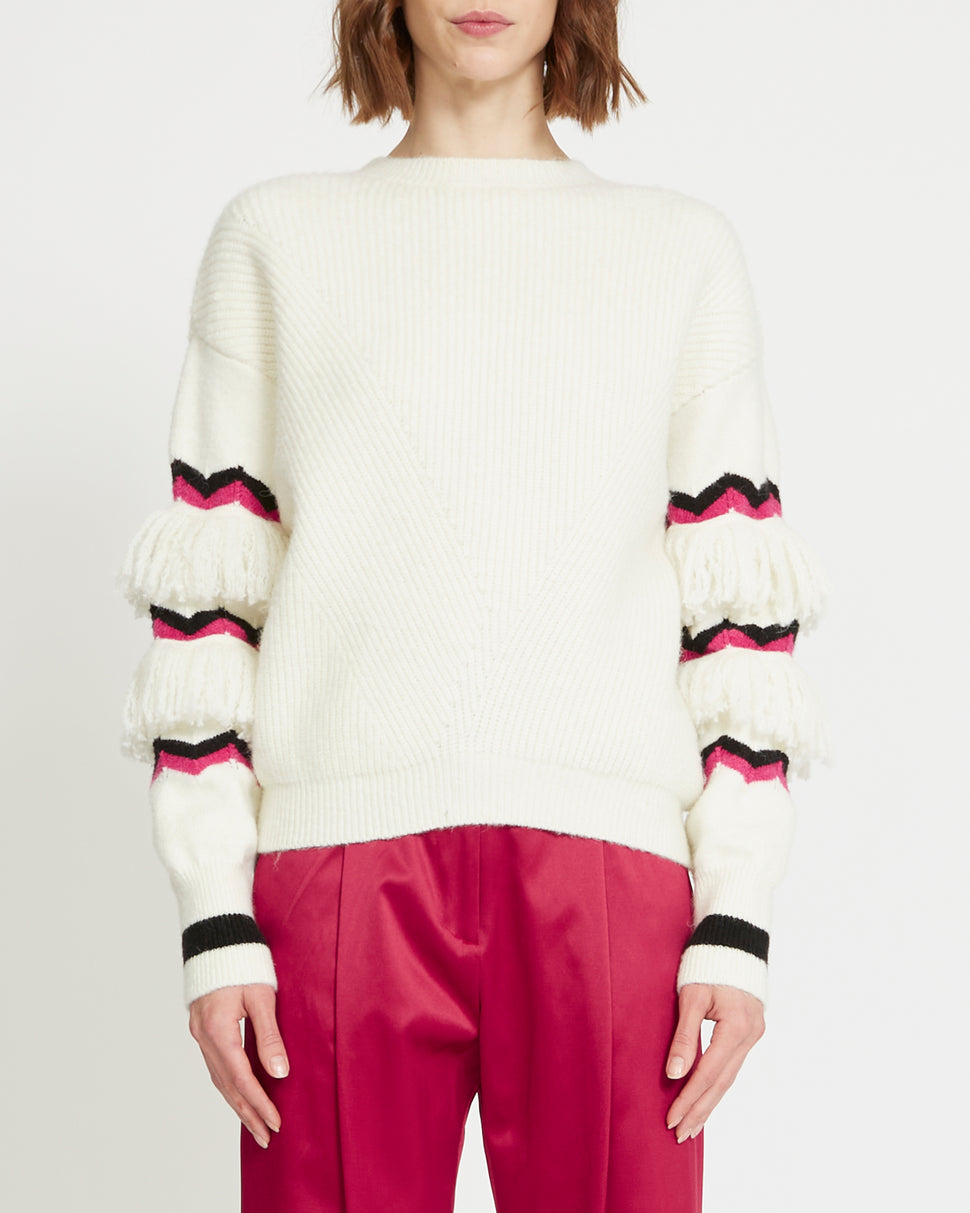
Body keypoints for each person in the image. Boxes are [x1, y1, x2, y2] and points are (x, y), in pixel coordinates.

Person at [115, 1, 832, 1209]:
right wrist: (215, 916)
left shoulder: (678, 252)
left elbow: (738, 612)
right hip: (338, 861)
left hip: (608, 871)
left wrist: (736, 915)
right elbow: (209, 601)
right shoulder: (276, 237)